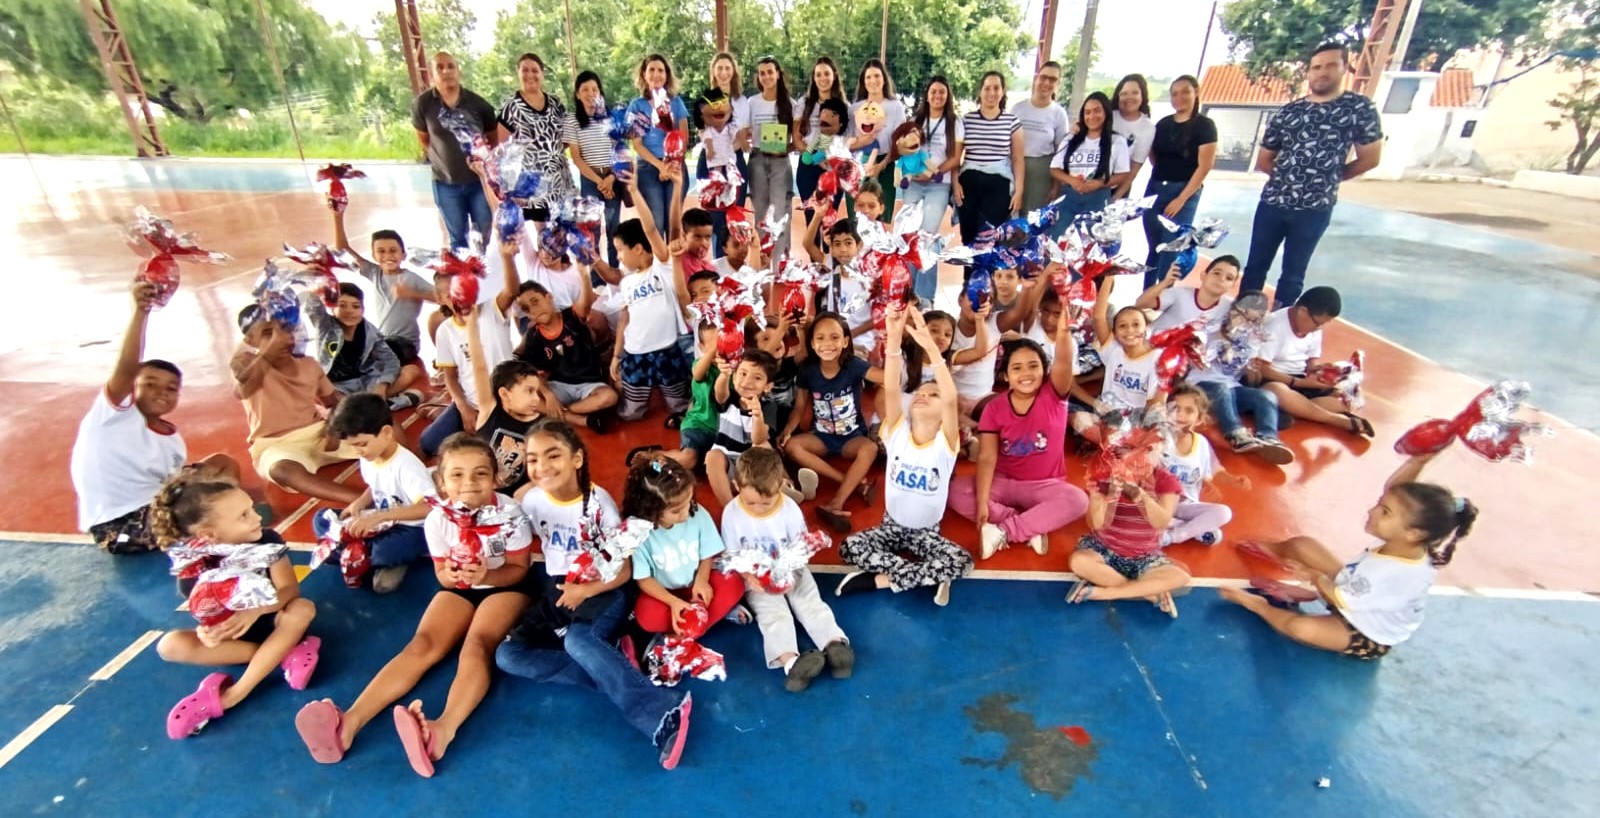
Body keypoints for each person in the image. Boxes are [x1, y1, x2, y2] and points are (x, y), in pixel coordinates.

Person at [293, 433, 534, 776]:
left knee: (476, 646)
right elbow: (442, 575)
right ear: (442, 483)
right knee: (422, 645)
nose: (469, 483)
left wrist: (487, 575)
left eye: (480, 474)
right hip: (459, 587)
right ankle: (347, 725)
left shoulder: (510, 514)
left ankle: (442, 730)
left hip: (505, 586)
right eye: (457, 475)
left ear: (495, 479)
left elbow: (518, 570)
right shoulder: (438, 519)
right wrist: (453, 576)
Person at [494, 418, 696, 770]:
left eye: (553, 455)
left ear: (577, 458)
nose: (541, 467)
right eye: (532, 459)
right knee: (508, 655)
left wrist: (585, 589)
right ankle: (612, 669)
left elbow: (624, 570)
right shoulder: (529, 500)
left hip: (603, 587)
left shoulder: (598, 505)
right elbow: (513, 537)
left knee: (578, 641)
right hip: (559, 589)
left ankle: (661, 710)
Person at [1220, 452, 1476, 659]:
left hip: (1366, 630)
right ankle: (1293, 582)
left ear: (1413, 533)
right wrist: (1418, 461)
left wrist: (1314, 577)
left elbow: (1341, 599)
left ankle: (1258, 605)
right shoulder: (1408, 541)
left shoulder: (1396, 573)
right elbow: (1395, 490)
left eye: (1384, 512)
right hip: (1354, 589)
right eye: (1380, 505)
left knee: (1300, 628)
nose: (1372, 511)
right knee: (1303, 546)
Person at [71, 280, 238, 554]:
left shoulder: (171, 439)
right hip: (118, 526)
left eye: (171, 388)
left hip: (155, 506)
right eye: (150, 384)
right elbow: (127, 367)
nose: (161, 392)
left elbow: (171, 485)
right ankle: (221, 524)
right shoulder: (112, 417)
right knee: (208, 507)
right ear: (132, 387)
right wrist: (141, 312)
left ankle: (227, 512)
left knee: (222, 463)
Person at [153, 474, 317, 739]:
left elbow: (289, 590)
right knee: (169, 645)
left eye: (251, 508)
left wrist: (255, 611)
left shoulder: (266, 540)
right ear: (209, 534)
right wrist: (209, 633)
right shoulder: (194, 567)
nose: (257, 517)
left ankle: (234, 694)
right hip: (239, 640)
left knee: (302, 609)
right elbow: (208, 616)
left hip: (275, 622)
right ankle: (282, 654)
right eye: (243, 515)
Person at [838, 305, 973, 606]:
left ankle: (881, 580)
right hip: (891, 528)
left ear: (945, 411)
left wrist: (932, 351)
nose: (923, 396)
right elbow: (890, 386)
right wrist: (894, 338)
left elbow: (950, 397)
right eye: (921, 393)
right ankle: (928, 576)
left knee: (963, 561)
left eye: (933, 395)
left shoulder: (945, 443)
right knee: (849, 548)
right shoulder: (896, 432)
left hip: (927, 533)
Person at [1242, 42, 1383, 309]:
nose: (1322, 72)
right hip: (1273, 204)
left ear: (1344, 68)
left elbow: (1370, 158)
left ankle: (1281, 322)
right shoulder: (1290, 112)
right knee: (1255, 266)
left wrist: (1329, 180)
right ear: (1309, 71)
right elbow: (1265, 159)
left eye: (1330, 65)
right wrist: (1287, 181)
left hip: (1314, 210)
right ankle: (1243, 319)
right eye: (1316, 67)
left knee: (1293, 274)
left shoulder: (1359, 109)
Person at [949, 320, 1086, 559]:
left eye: (1033, 366)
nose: (1025, 374)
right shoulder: (994, 408)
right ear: (1005, 375)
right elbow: (987, 456)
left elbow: (1064, 361)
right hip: (1003, 482)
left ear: (1045, 371)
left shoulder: (1054, 395)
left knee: (1078, 500)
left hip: (1045, 484)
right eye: (1017, 368)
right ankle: (1030, 525)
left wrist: (1064, 332)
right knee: (956, 492)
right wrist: (982, 502)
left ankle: (1004, 531)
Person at [721, 447, 853, 692]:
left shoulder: (789, 508)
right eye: (751, 502)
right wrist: (749, 576)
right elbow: (732, 553)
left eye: (766, 502)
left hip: (791, 566)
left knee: (809, 602)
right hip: (757, 575)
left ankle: (835, 644)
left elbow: (800, 546)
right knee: (772, 615)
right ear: (737, 486)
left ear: (781, 486)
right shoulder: (732, 513)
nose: (758, 507)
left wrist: (790, 573)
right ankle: (791, 662)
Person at [231, 306, 360, 505]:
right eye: (268, 333)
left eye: (286, 330)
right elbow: (242, 390)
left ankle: (412, 479)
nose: (281, 338)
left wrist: (334, 427)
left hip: (319, 433)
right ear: (250, 341)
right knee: (283, 470)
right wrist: (270, 348)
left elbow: (334, 403)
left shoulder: (308, 364)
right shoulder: (247, 365)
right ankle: (363, 501)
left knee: (383, 424)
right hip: (276, 445)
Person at [419, 236, 524, 458]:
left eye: (461, 290)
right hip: (473, 402)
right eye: (449, 295)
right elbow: (450, 377)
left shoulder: (491, 310)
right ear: (440, 298)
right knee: (429, 443)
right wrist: (463, 407)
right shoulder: (445, 331)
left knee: (503, 447)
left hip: (506, 400)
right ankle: (448, 414)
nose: (457, 298)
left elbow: (512, 290)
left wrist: (507, 258)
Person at [626, 453, 750, 635]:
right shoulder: (638, 533)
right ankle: (701, 621)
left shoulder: (697, 513)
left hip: (697, 586)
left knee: (734, 583)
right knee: (647, 616)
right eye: (676, 511)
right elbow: (644, 579)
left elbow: (707, 554)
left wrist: (701, 581)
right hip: (665, 594)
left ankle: (685, 633)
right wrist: (673, 602)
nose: (685, 514)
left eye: (689, 502)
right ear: (651, 510)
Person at [1067, 433, 1188, 617]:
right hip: (1104, 550)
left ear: (1156, 453)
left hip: (1145, 556)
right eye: (1127, 451)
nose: (1135, 460)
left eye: (1144, 452)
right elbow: (1096, 524)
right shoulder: (1107, 477)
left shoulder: (1166, 480)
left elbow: (1161, 523)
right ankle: (1148, 593)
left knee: (1179, 577)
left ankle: (1108, 592)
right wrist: (1098, 498)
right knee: (1079, 562)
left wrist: (1139, 495)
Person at [779, 312, 879, 533]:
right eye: (820, 338)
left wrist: (891, 345)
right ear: (812, 343)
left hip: (852, 438)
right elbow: (800, 407)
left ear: (845, 341)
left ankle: (837, 501)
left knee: (870, 448)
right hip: (821, 437)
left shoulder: (854, 365)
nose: (827, 344)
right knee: (792, 446)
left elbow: (887, 379)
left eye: (834, 337)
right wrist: (788, 430)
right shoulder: (807, 370)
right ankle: (849, 481)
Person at [326, 394, 436, 593]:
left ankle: (364, 555)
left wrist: (381, 516)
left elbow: (429, 507)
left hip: (411, 527)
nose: (358, 451)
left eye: (362, 444)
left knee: (387, 550)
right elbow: (376, 486)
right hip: (382, 522)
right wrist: (360, 503)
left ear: (386, 432)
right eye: (352, 446)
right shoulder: (369, 456)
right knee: (323, 520)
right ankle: (363, 555)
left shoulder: (407, 466)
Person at [329, 202, 434, 407]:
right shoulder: (375, 273)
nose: (387, 256)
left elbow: (442, 298)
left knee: (370, 360)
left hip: (404, 343)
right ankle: (378, 398)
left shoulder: (410, 278)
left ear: (403, 254)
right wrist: (337, 215)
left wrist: (412, 293)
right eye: (381, 251)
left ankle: (361, 400)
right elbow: (343, 250)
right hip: (382, 340)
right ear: (374, 256)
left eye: (393, 251)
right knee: (356, 354)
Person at [609, 170, 692, 425]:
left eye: (620, 250)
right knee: (631, 413)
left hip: (667, 352)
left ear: (637, 248)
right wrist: (617, 356)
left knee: (679, 407)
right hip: (635, 355)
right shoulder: (627, 282)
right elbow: (624, 321)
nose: (618, 257)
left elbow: (652, 229)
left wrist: (634, 191)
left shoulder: (662, 266)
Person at [1249, 285, 1375, 437]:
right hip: (1276, 379)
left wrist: (1318, 370)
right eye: (1317, 323)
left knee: (1345, 397)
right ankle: (1334, 419)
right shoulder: (1274, 325)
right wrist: (1299, 383)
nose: (1318, 328)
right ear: (1302, 311)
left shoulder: (1314, 327)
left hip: (1300, 380)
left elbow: (1310, 361)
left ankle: (1295, 410)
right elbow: (1262, 368)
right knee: (1275, 391)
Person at [1184, 291, 1295, 465]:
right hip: (1201, 385)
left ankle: (1269, 437)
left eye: (1254, 320)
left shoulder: (1251, 337)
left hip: (1231, 387)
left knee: (1266, 396)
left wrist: (1250, 369)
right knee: (1221, 390)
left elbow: (1241, 367)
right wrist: (1223, 338)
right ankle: (1235, 433)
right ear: (1234, 310)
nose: (1248, 323)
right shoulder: (1212, 327)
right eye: (1245, 316)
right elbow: (1199, 358)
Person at [513, 262, 617, 432]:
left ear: (549, 297)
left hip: (590, 384)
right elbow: (536, 373)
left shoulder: (571, 316)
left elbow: (585, 304)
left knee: (609, 397)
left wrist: (584, 274)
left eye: (535, 301)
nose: (534, 310)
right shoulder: (533, 336)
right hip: (559, 385)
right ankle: (583, 419)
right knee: (526, 398)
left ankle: (566, 412)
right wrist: (549, 396)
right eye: (526, 309)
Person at [412, 51, 498, 250]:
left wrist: (482, 168)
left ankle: (483, 269)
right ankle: (462, 270)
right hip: (445, 183)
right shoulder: (423, 105)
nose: (446, 71)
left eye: (451, 66)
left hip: (479, 184)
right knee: (457, 239)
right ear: (431, 74)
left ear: (459, 72)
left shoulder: (479, 104)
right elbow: (424, 139)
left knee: (485, 236)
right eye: (440, 67)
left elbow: (492, 141)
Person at [1140, 75, 1218, 286]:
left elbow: (1205, 166)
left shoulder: (1204, 126)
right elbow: (1154, 157)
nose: (1179, 97)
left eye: (1185, 92)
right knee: (1154, 247)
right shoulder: (1164, 124)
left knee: (1170, 249)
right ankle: (1147, 295)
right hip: (1156, 188)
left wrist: (1181, 199)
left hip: (1183, 191)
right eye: (1174, 93)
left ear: (1196, 92)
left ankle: (1164, 295)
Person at [1070, 276, 1163, 444]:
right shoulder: (1113, 351)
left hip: (1134, 423)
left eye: (1136, 324)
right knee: (1074, 416)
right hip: (1104, 414)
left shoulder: (1156, 359)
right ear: (1114, 332)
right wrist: (1109, 276)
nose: (1129, 330)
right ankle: (1107, 443)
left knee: (1149, 434)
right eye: (1122, 326)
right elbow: (1099, 317)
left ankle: (1113, 444)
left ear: (1146, 328)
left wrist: (1138, 431)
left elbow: (1155, 406)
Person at [900, 75, 964, 305]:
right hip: (915, 185)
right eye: (933, 91)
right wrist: (910, 170)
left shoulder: (954, 123)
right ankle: (907, 292)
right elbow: (904, 150)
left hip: (938, 185)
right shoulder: (916, 120)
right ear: (927, 95)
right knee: (909, 236)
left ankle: (925, 296)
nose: (937, 95)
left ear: (947, 96)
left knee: (927, 237)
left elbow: (955, 158)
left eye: (942, 92)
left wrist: (934, 172)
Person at [1160, 385, 1248, 546]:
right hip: (1159, 502)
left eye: (1189, 411)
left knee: (1223, 513)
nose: (1180, 414)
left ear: (1200, 418)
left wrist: (1233, 480)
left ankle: (1171, 536)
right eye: (1175, 408)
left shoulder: (1201, 443)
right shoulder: (1159, 437)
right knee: (1213, 535)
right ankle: (1187, 528)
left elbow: (1215, 471)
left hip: (1185, 505)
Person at [497, 52, 573, 230]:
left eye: (535, 70)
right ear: (518, 73)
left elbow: (567, 136)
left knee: (565, 232)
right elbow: (501, 150)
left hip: (560, 179)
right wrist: (509, 186)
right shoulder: (511, 106)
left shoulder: (555, 103)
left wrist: (553, 153)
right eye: (525, 70)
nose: (530, 74)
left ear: (542, 74)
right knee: (544, 235)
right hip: (534, 183)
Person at [301, 283, 414, 403]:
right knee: (318, 392)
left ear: (363, 310)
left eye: (355, 306)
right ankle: (377, 402)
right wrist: (315, 290)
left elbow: (390, 360)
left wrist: (382, 386)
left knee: (411, 371)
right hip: (338, 386)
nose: (349, 311)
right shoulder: (325, 325)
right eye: (342, 305)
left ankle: (368, 401)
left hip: (367, 380)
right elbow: (313, 307)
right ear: (333, 309)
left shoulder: (369, 330)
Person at [954, 71, 1024, 248]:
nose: (991, 93)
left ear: (1003, 91)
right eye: (987, 88)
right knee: (969, 238)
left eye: (996, 88)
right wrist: (955, 184)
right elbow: (955, 157)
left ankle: (991, 267)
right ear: (980, 91)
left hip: (998, 184)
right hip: (969, 184)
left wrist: (1019, 191)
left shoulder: (1012, 121)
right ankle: (970, 268)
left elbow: (1017, 159)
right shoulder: (966, 120)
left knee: (992, 237)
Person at [705, 349, 780, 507]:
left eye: (757, 378)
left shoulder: (768, 406)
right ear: (734, 376)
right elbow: (720, 394)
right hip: (729, 467)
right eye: (743, 374)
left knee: (764, 445)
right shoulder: (730, 397)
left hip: (754, 469)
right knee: (712, 456)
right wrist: (724, 375)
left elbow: (758, 438)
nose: (747, 381)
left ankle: (785, 486)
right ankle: (729, 507)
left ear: (767, 386)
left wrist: (757, 415)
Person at [626, 54, 691, 237]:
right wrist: (660, 166)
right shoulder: (637, 106)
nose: (656, 74)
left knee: (674, 225)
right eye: (652, 70)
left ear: (667, 75)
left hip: (675, 166)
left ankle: (674, 257)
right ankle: (659, 256)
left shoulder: (676, 103)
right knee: (656, 224)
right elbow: (637, 144)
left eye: (661, 70)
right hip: (648, 168)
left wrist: (671, 164)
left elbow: (684, 138)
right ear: (644, 75)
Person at [566, 70, 624, 268]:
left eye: (594, 89)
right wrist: (599, 182)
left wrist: (611, 178)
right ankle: (596, 276)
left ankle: (615, 271)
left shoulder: (610, 118)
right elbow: (576, 157)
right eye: (585, 89)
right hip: (590, 180)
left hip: (612, 178)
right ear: (577, 94)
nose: (590, 93)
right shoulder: (572, 120)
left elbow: (620, 150)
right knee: (592, 230)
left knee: (614, 227)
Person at [1050, 92, 1130, 231]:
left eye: (1097, 111)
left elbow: (1123, 174)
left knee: (1090, 241)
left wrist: (1099, 183)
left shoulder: (1117, 141)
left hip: (1098, 198)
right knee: (1058, 238)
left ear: (1106, 112)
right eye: (1087, 112)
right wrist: (1072, 180)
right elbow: (1054, 169)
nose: (1092, 116)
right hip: (1069, 197)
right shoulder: (1071, 138)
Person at [745, 56, 797, 259]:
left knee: (780, 214)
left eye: (770, 72)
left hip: (780, 163)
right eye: (762, 73)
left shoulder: (790, 104)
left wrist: (784, 149)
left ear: (778, 74)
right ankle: (762, 260)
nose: (766, 76)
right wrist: (744, 138)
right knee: (760, 213)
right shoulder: (752, 103)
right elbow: (744, 131)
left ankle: (781, 262)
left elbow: (797, 139)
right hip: (757, 159)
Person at [1012, 61, 1072, 214]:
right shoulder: (1018, 108)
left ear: (1058, 84)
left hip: (1042, 171)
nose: (1046, 83)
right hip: (1014, 166)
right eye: (1043, 77)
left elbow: (1061, 153)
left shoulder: (1059, 114)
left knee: (1033, 217)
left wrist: (1056, 185)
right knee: (1011, 214)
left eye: (1052, 79)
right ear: (1036, 79)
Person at [848, 58, 907, 213]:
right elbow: (847, 143)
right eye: (868, 77)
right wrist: (863, 142)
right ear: (863, 81)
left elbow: (899, 144)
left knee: (882, 216)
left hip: (885, 165)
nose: (873, 80)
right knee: (856, 218)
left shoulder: (896, 107)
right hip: (859, 164)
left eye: (877, 76)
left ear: (884, 79)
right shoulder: (854, 109)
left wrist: (880, 166)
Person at [1135, 254, 1241, 338]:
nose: (1221, 279)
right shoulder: (1180, 294)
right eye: (1217, 273)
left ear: (1232, 286)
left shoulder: (1230, 308)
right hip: (1151, 346)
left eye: (1229, 278)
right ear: (1203, 276)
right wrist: (1165, 282)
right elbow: (1141, 303)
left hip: (1186, 356)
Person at [795, 58, 845, 223]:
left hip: (833, 167)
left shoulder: (843, 105)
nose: (823, 78)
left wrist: (829, 158)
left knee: (829, 220)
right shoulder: (804, 103)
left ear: (834, 76)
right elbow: (796, 136)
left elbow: (845, 139)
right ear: (813, 78)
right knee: (812, 219)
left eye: (826, 74)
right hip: (808, 165)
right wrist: (812, 157)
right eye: (818, 74)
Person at [1109, 74, 1155, 201]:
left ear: (1142, 95)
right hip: (1091, 181)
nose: (1129, 97)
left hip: (1120, 185)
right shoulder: (1107, 116)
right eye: (1124, 93)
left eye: (1135, 93)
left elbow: (1134, 168)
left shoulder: (1147, 127)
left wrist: (1116, 197)